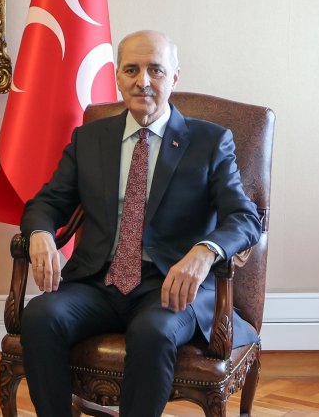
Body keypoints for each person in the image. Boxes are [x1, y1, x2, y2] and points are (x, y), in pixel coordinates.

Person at [19, 30, 262, 417]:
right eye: (131, 69)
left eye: (155, 70)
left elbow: (245, 218)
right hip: (98, 282)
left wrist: (204, 252)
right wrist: (40, 233)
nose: (142, 81)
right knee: (39, 317)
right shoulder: (90, 139)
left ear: (175, 77)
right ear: (117, 76)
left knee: (152, 332)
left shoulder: (210, 142)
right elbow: (47, 203)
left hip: (169, 285)